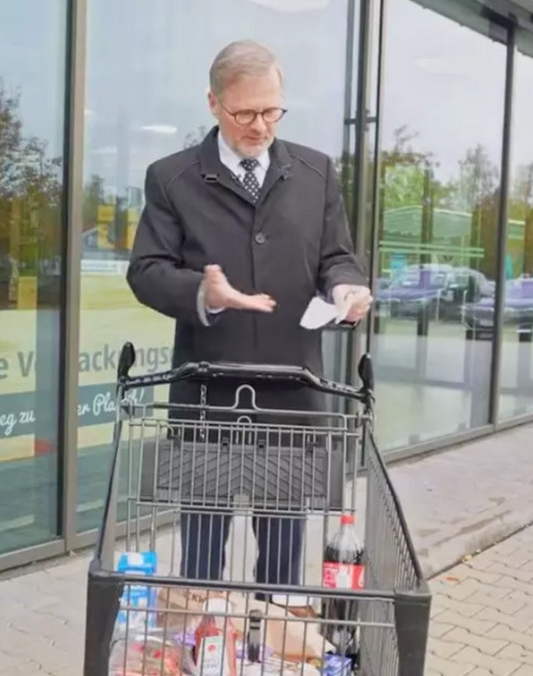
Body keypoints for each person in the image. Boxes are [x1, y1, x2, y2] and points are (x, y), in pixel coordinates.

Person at [126, 40, 372, 587]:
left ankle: (270, 647)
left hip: (293, 396)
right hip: (209, 395)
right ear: (213, 104)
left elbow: (337, 257)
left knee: (284, 558)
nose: (260, 126)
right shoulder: (172, 178)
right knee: (202, 560)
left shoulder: (317, 173)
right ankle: (203, 649)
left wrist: (348, 289)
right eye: (245, 113)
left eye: (271, 111)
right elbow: (145, 270)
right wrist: (204, 293)